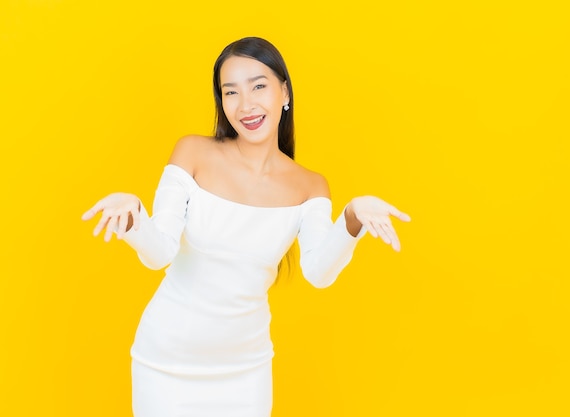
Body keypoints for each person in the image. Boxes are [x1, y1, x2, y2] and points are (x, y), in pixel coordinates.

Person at [81, 36, 410, 417]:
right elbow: (159, 254)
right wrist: (134, 215)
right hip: (166, 363)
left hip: (246, 371)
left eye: (259, 86)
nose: (246, 104)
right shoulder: (193, 152)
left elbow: (319, 272)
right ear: (221, 102)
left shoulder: (310, 186)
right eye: (230, 92)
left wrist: (353, 216)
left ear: (283, 91)